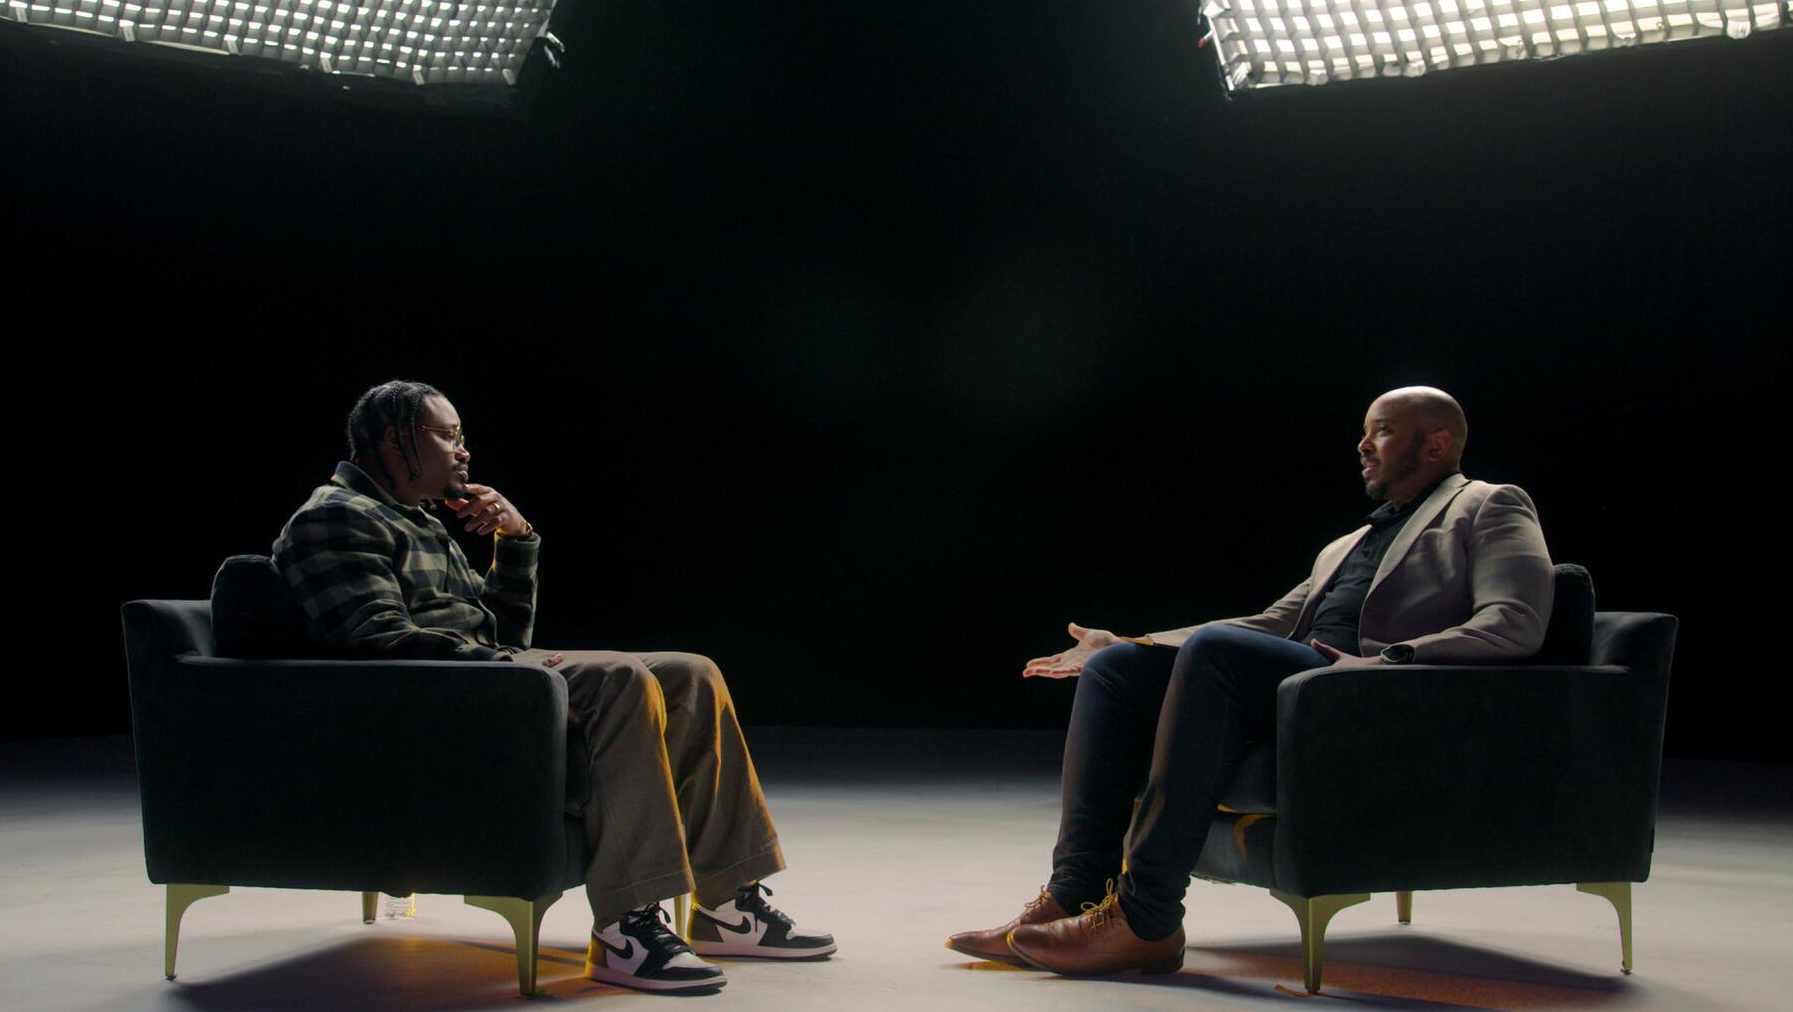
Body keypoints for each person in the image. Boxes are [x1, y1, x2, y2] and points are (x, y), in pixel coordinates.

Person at [946, 386, 1553, 976]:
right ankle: (1077, 893)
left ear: (1436, 443)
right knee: (1115, 671)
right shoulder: (1348, 544)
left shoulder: (1490, 503)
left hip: (1376, 696)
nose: (1363, 445)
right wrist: (1133, 641)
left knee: (1218, 654)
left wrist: (1389, 661)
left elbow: (1515, 622)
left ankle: (1147, 919)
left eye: (1383, 431)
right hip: (1306, 692)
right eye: (1366, 432)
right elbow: (1266, 624)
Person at [273, 381, 835, 994]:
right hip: (433, 705)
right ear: (395, 438)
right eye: (448, 435)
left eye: (462, 438)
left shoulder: (418, 521)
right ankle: (626, 929)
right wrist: (508, 664)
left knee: (690, 673)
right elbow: (379, 646)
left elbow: (504, 629)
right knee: (620, 680)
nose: (464, 451)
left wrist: (515, 542)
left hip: (482, 679)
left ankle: (727, 908)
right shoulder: (335, 517)